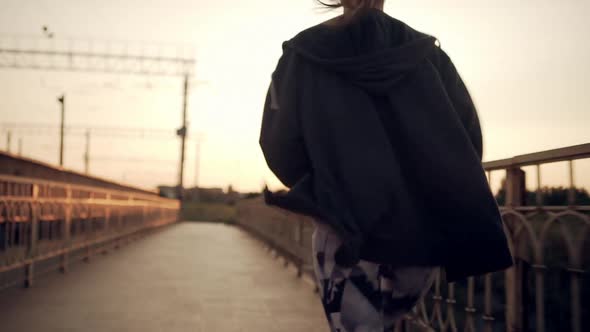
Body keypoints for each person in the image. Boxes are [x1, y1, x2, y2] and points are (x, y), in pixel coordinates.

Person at [259, 1, 513, 331]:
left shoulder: (301, 54)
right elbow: (468, 140)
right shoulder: (427, 53)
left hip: (344, 232)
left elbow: (278, 145)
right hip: (419, 235)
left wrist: (325, 187)